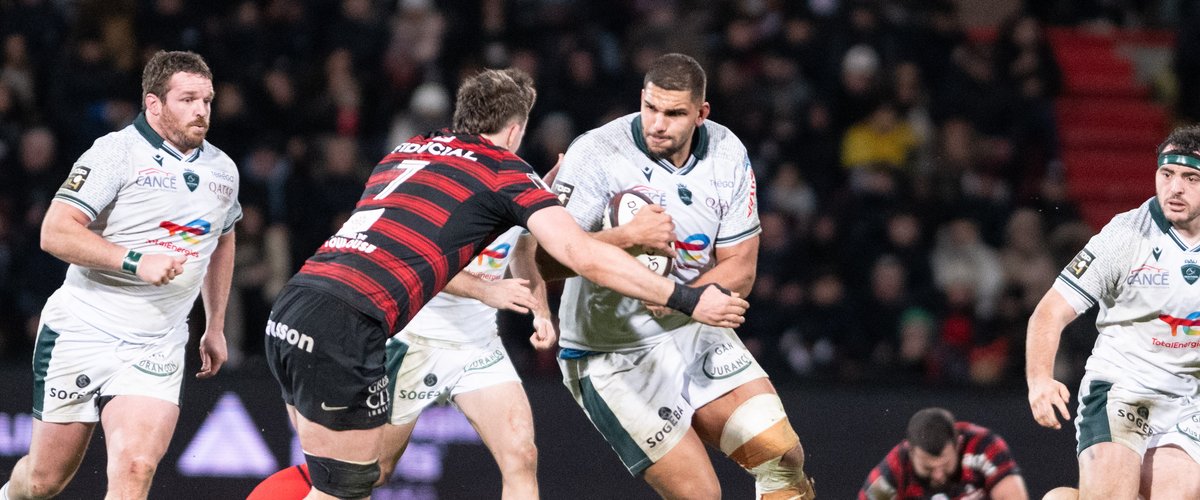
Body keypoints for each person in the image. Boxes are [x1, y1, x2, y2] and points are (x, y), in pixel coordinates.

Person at [261, 67, 747, 500]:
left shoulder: (408, 150)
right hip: (394, 332)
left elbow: (469, 243)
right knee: (357, 481)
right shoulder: (506, 173)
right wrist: (685, 296)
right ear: (515, 129)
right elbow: (578, 253)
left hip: (315, 307)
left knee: (520, 455)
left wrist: (538, 296)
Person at [542, 53, 815, 499]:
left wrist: (681, 298)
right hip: (610, 350)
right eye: (650, 108)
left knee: (783, 459)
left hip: (690, 326)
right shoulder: (596, 153)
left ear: (701, 113)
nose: (657, 124)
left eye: (674, 114)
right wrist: (625, 236)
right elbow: (541, 261)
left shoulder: (726, 152)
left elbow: (741, 266)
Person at [1, 50, 240, 499]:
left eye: (207, 100)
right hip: (83, 330)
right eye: (188, 99)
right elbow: (55, 232)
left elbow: (223, 239)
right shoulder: (115, 153)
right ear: (154, 104)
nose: (202, 111)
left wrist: (215, 325)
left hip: (157, 342)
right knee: (43, 481)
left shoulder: (223, 170)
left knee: (135, 467)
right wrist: (136, 262)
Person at [1026, 125, 1200, 499]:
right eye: (1167, 174)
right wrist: (1040, 380)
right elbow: (1049, 311)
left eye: (1191, 178)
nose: (1175, 188)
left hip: (1190, 400)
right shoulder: (1126, 235)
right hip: (1123, 389)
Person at [375, 227, 555, 496]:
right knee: (374, 471)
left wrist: (540, 312)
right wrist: (485, 290)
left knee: (522, 455)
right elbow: (419, 261)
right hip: (415, 341)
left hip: (480, 345)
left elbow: (522, 250)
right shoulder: (439, 198)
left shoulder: (527, 199)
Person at [859, 407, 1028, 499]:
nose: (938, 475)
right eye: (928, 468)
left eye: (945, 465)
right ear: (911, 452)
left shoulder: (983, 446)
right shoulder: (895, 467)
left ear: (958, 444)